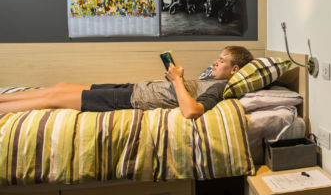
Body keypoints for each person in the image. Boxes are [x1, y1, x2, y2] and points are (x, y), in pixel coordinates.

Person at [0, 46, 254, 120]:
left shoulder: (221, 88)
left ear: (234, 69)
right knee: (61, 86)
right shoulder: (210, 78)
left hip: (130, 100)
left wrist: (176, 79)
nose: (215, 63)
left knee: (53, 99)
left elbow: (191, 111)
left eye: (221, 61)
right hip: (134, 88)